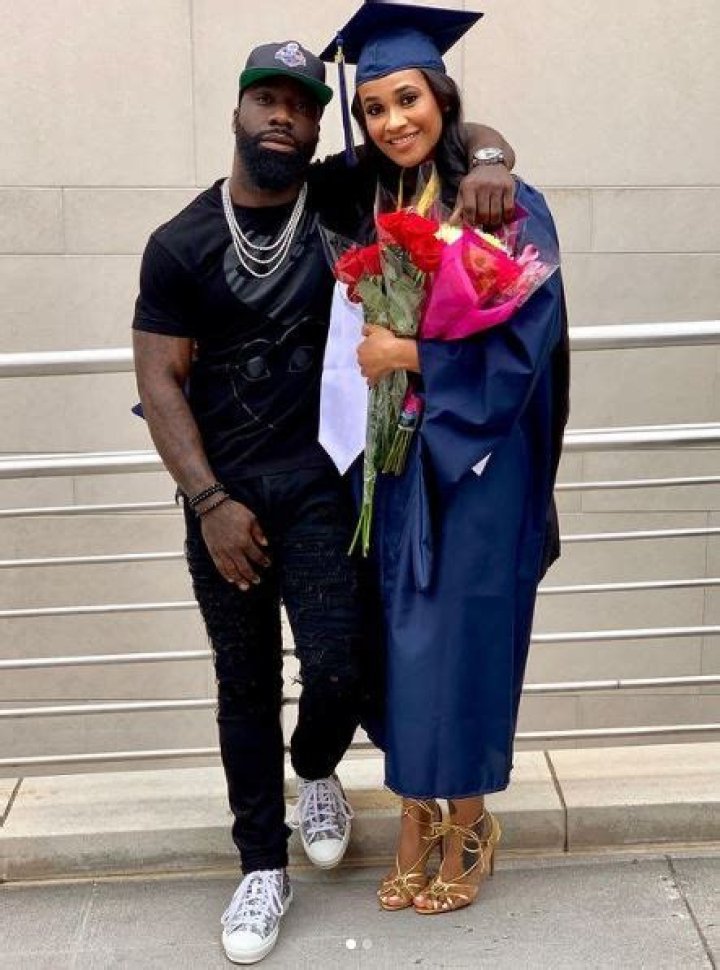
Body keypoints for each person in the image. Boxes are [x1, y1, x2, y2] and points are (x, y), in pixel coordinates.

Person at [132, 37, 518, 965]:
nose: (283, 116)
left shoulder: (342, 195)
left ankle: (315, 772)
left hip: (322, 489)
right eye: (266, 99)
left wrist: (493, 160)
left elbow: (443, 136)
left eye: (302, 105)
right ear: (236, 112)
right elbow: (158, 379)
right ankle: (261, 867)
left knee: (341, 669)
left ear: (317, 128)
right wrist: (208, 500)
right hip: (223, 497)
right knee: (244, 683)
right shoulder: (180, 242)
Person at [320, 2, 570, 916]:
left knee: (465, 634)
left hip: (481, 462)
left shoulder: (500, 201)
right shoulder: (371, 199)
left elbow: (526, 342)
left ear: (443, 98)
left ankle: (467, 821)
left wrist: (411, 354)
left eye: (409, 99)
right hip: (394, 464)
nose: (393, 120)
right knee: (400, 637)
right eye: (374, 107)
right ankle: (414, 811)